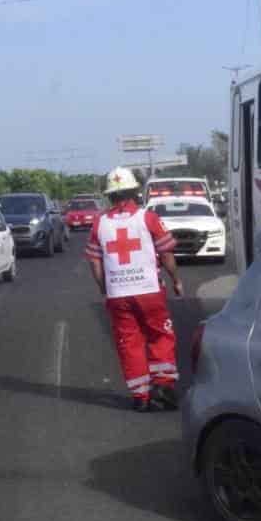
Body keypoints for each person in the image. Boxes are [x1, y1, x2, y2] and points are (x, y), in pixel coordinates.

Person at [86, 166, 186, 411]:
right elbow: (167, 254)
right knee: (160, 335)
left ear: (110, 196)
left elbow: (95, 262)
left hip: (117, 294)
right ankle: (163, 387)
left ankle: (140, 397)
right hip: (149, 290)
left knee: (128, 342)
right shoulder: (148, 218)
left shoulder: (99, 223)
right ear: (133, 192)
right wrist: (177, 280)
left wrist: (105, 288)